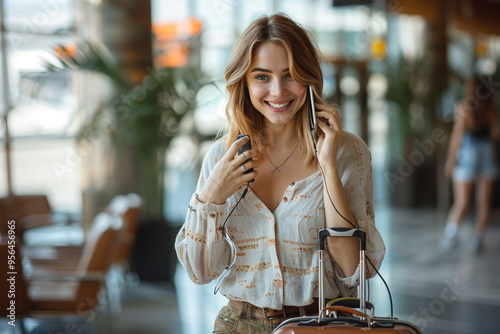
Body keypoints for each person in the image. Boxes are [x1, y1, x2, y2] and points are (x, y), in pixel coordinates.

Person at [175, 13, 385, 333]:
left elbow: (353, 269)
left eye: (289, 75)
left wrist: (327, 166)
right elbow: (200, 272)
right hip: (238, 324)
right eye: (262, 77)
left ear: (309, 77)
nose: (277, 91)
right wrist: (209, 198)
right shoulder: (223, 157)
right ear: (243, 82)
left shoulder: (347, 153)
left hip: (319, 323)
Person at [440, 76, 499, 254]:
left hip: (467, 155)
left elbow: (458, 135)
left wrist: (451, 159)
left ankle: (451, 235)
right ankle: (477, 239)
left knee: (462, 202)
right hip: (487, 154)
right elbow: (496, 134)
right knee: (483, 202)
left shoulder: (464, 107)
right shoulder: (490, 108)